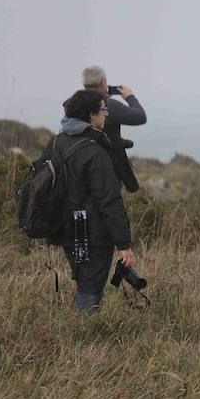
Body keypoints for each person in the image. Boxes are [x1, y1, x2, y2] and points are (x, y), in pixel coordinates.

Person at [49, 90, 135, 315]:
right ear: (91, 114)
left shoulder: (58, 140)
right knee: (90, 287)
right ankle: (84, 334)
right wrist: (124, 244)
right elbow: (109, 201)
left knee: (84, 280)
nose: (106, 114)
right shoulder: (95, 151)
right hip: (92, 233)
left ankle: (82, 325)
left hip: (66, 226)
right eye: (103, 109)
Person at [82, 65, 147, 192]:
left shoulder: (76, 103)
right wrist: (129, 96)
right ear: (104, 82)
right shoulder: (108, 105)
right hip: (107, 167)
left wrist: (119, 141)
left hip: (82, 163)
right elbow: (140, 117)